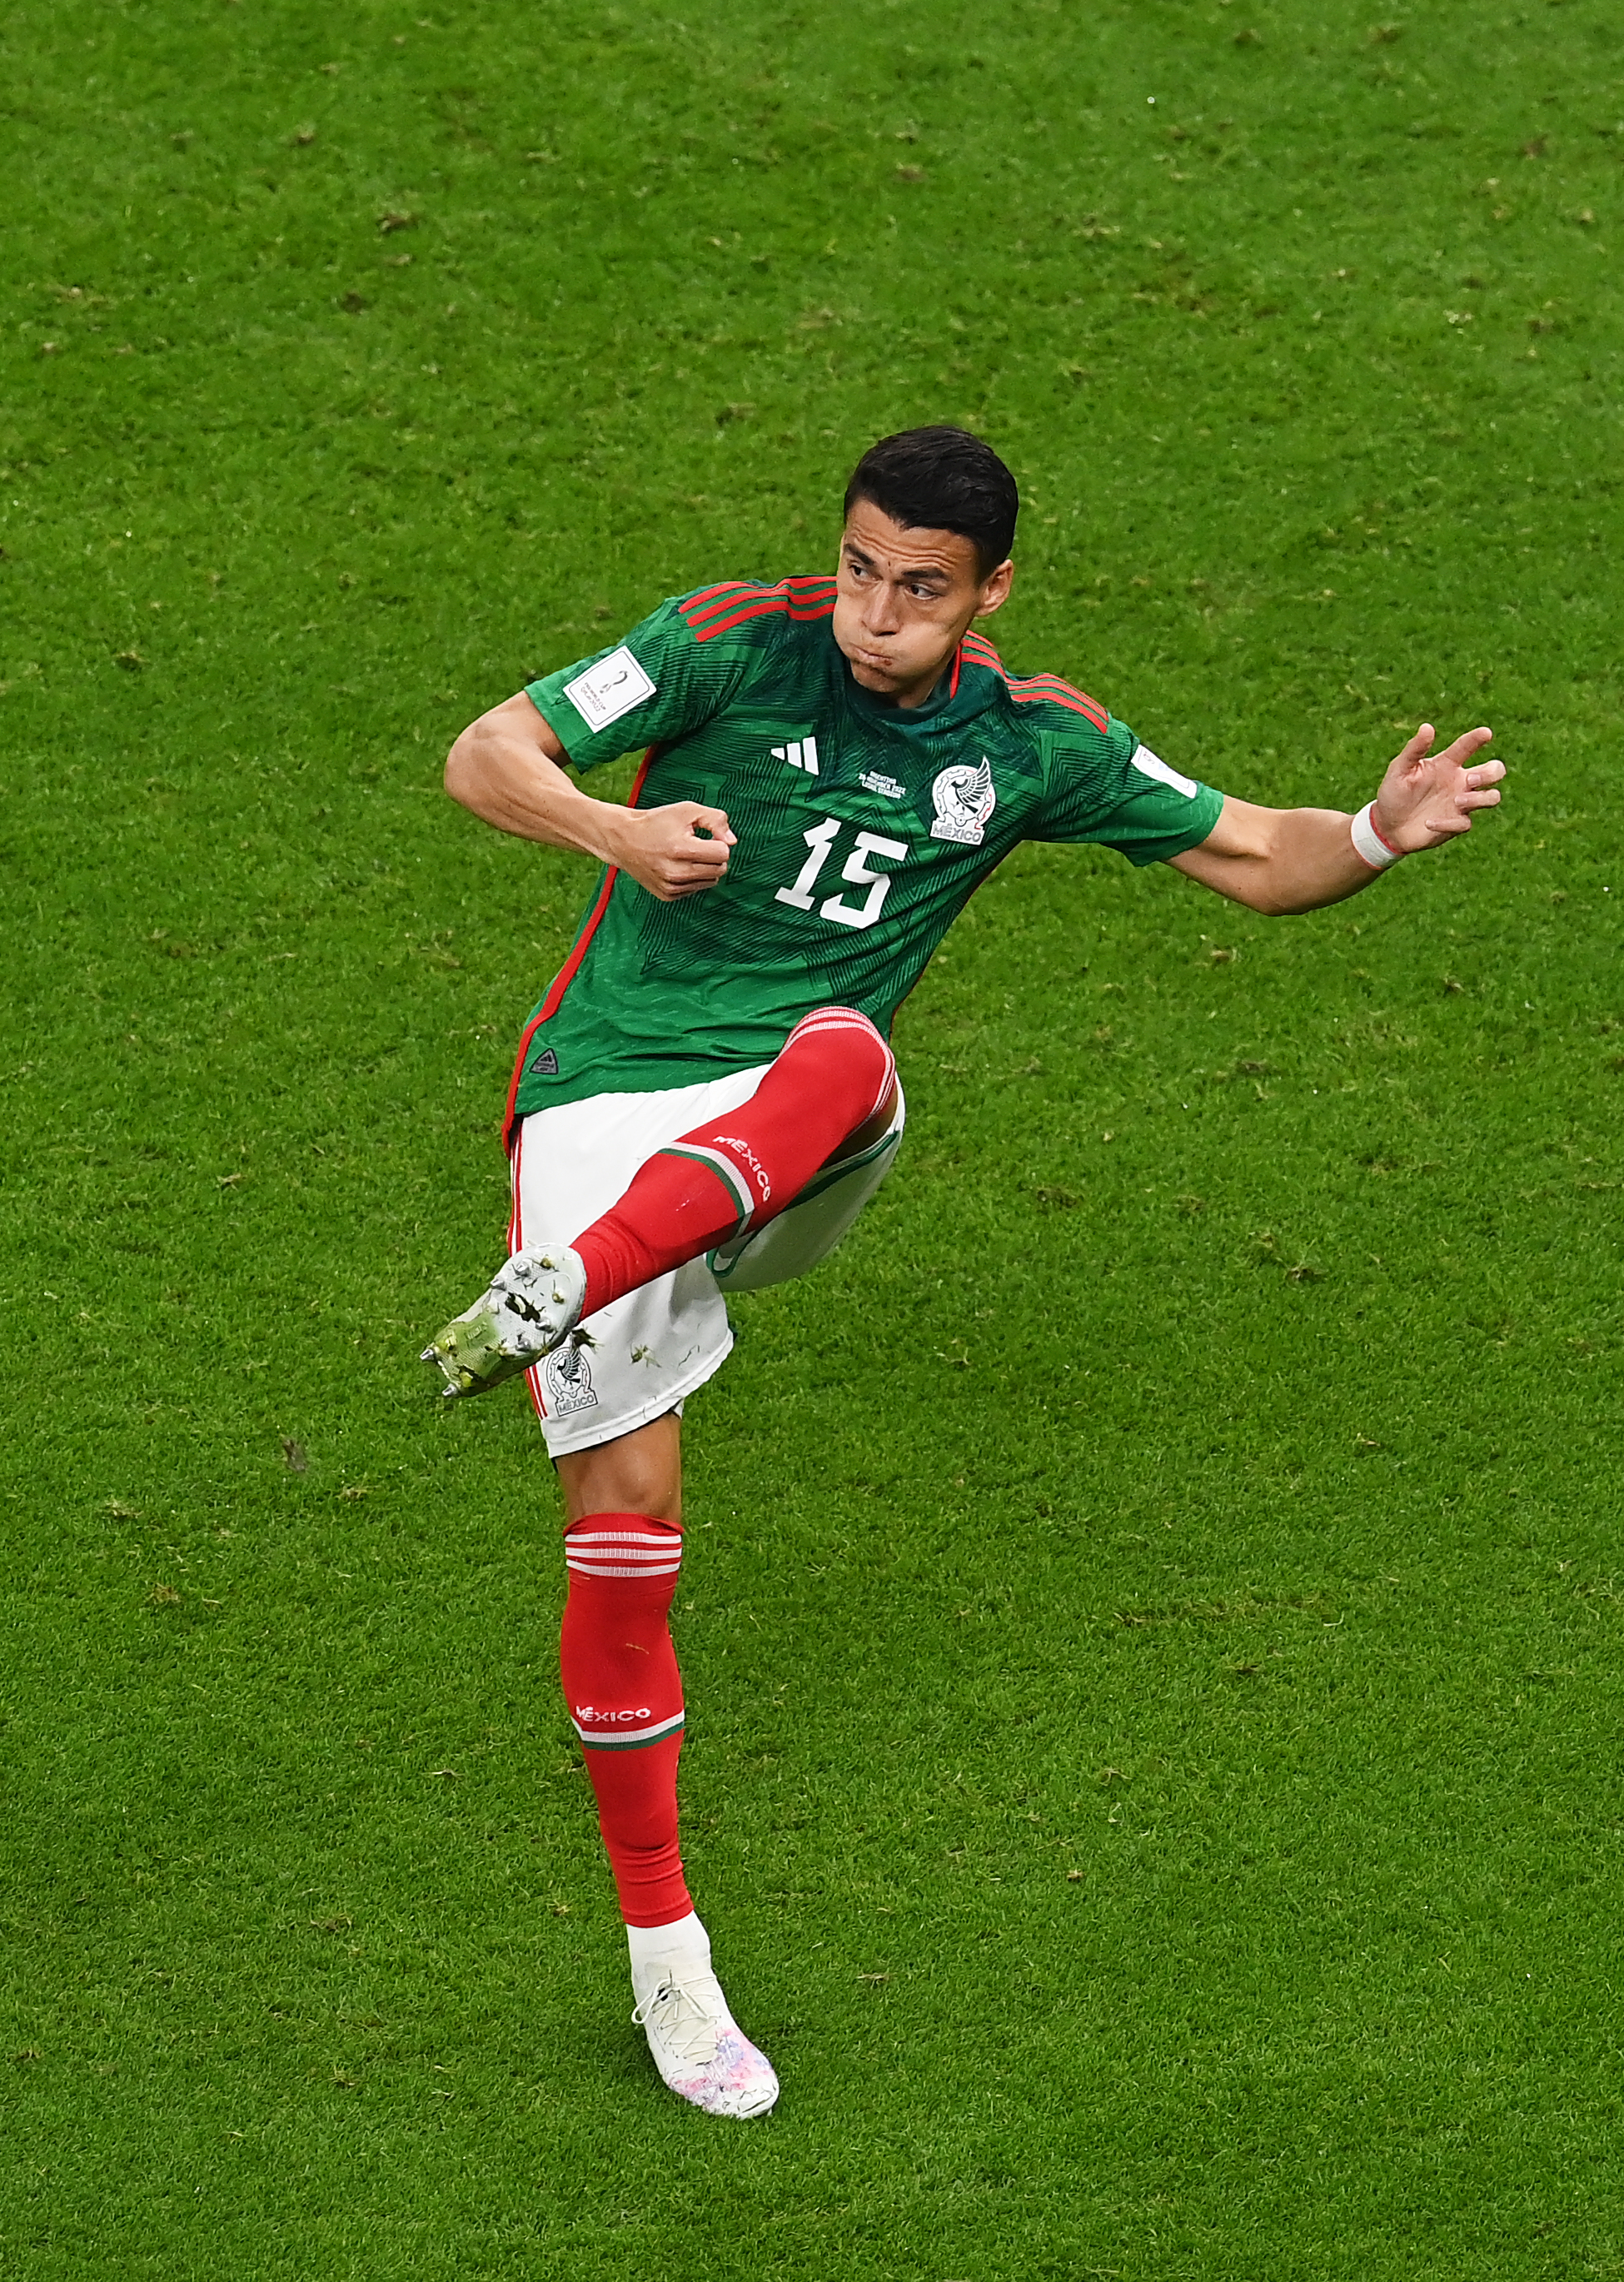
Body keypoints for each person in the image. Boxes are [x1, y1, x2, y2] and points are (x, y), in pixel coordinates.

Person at [420, 428, 1503, 2120]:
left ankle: (569, 1280)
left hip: (798, 1132)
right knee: (627, 1546)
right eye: (860, 567)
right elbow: (488, 751)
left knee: (847, 1043)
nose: (874, 612)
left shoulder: (1028, 742)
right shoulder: (723, 639)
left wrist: (1377, 826)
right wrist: (605, 835)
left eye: (920, 587)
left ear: (989, 591)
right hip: (605, 1103)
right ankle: (668, 1964)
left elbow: (1251, 852)